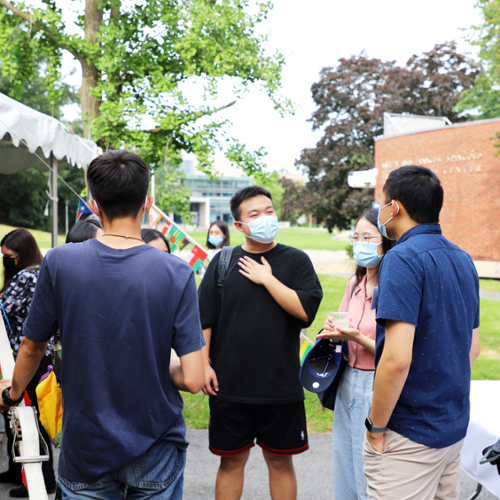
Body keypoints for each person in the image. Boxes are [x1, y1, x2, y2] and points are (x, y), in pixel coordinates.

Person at [2, 150, 205, 499]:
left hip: (86, 444)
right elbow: (195, 378)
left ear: (94, 206)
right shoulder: (177, 271)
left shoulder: (60, 262)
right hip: (156, 442)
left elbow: (32, 347)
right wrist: (158, 363)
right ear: (149, 202)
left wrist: (13, 393)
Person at [363, 165, 480, 500]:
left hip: (409, 434)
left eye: (382, 202)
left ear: (394, 207)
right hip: (452, 427)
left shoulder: (401, 258)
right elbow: (472, 346)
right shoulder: (463, 258)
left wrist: (375, 426)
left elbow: (396, 360)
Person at [198, 186, 323, 500]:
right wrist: (203, 364)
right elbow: (204, 320)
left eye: (269, 211)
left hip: (280, 386)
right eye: (255, 214)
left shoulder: (296, 261)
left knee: (280, 461)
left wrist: (268, 279)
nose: (266, 218)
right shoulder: (223, 262)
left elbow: (305, 312)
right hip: (229, 386)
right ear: (239, 226)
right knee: (231, 461)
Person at [317, 208, 393, 500]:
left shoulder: (393, 287)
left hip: (376, 382)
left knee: (369, 469)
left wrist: (358, 337)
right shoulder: (355, 284)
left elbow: (396, 350)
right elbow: (344, 326)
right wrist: (334, 330)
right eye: (356, 237)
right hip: (348, 379)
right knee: (345, 461)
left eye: (368, 237)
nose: (360, 243)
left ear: (385, 241)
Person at [0, 228, 57, 497]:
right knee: (19, 417)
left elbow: (5, 309)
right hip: (34, 356)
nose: (5, 260)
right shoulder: (41, 271)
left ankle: (40, 479)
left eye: (7, 256)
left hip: (24, 357)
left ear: (21, 254)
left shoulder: (26, 275)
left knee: (28, 417)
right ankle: (17, 469)